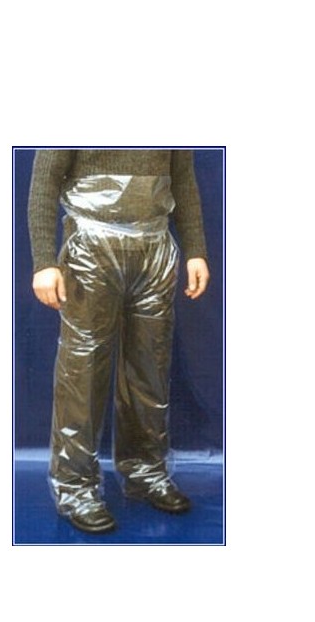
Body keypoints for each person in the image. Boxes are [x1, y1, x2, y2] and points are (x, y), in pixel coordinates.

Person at [28, 148, 210, 534]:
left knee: (150, 368)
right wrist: (44, 261)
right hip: (90, 251)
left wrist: (196, 250)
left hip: (153, 250)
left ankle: (145, 472)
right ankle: (75, 489)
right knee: (82, 373)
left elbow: (183, 181)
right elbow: (44, 182)